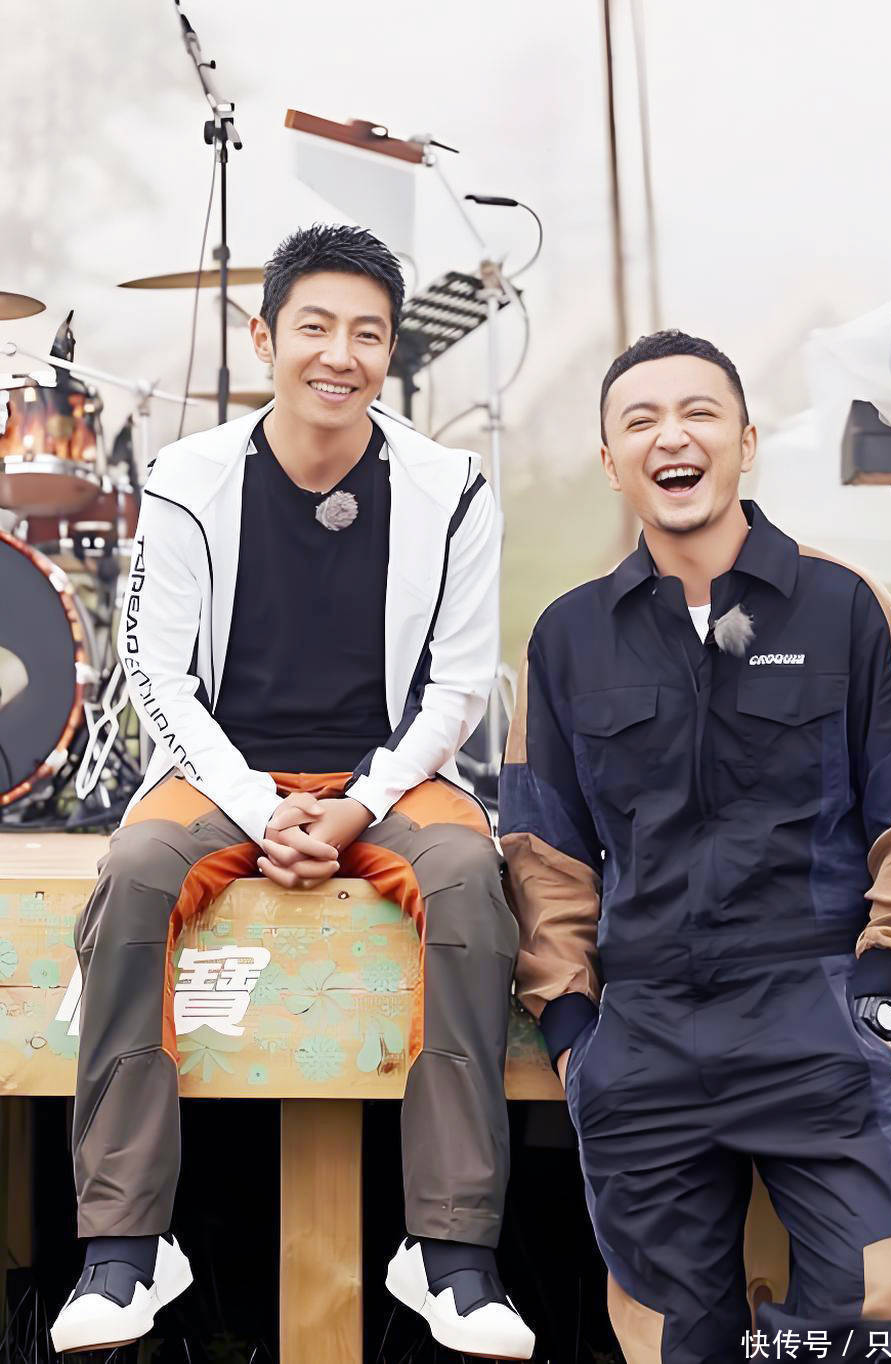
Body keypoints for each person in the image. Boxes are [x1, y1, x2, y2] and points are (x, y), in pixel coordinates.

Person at [51, 223, 534, 1360]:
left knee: (470, 880)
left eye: (367, 333)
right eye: (314, 326)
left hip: (392, 777)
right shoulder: (188, 478)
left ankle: (450, 1250)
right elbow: (156, 674)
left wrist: (358, 803)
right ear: (264, 338)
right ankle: (124, 1245)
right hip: (223, 773)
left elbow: (458, 687)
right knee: (134, 871)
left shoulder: (452, 487)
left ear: (390, 352)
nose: (340, 354)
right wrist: (260, 807)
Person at [499, 329, 891, 1363]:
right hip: (644, 1033)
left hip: (812, 1014)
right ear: (611, 459)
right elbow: (543, 847)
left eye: (699, 413)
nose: (673, 436)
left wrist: (882, 990)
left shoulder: (845, 607)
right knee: (669, 1343)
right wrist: (574, 1029)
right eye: (641, 420)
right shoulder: (568, 637)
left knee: (869, 1314)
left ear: (745, 443)